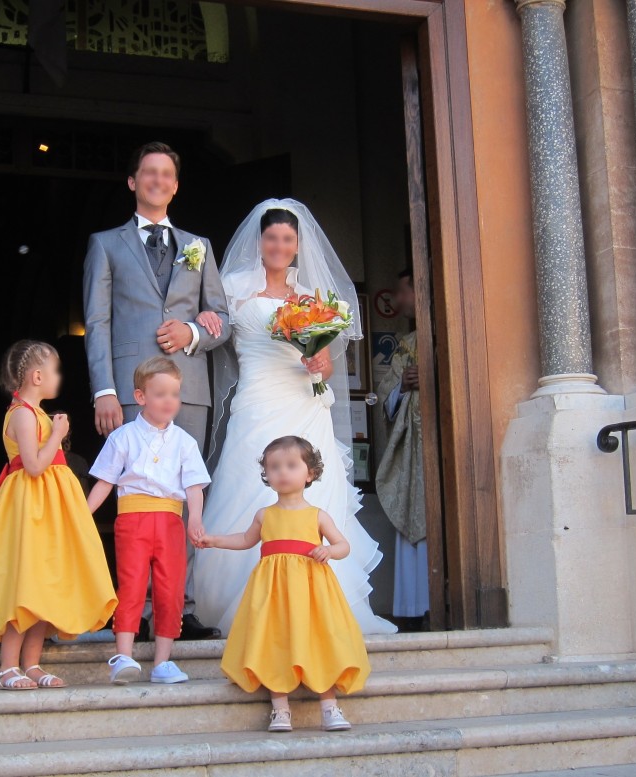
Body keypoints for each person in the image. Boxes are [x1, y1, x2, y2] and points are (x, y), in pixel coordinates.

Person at [192, 199, 396, 637]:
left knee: (313, 490)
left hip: (303, 403)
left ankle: (320, 604)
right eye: (272, 238)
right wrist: (204, 318)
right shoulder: (232, 287)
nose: (279, 246)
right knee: (248, 485)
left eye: (288, 239)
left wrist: (319, 365)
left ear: (298, 245)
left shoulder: (310, 300)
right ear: (259, 242)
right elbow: (210, 325)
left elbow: (324, 361)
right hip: (257, 400)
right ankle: (250, 606)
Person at [83, 141, 229, 641]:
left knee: (187, 496)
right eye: (149, 173)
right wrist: (104, 389)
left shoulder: (200, 246)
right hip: (130, 387)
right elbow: (97, 322)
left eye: (167, 174)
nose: (158, 181)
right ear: (133, 181)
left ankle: (178, 609)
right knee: (136, 496)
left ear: (175, 185)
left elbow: (222, 321)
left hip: (189, 389)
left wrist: (194, 335)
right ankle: (138, 612)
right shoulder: (105, 244)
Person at [0, 340, 118, 689]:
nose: (58, 378)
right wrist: (60, 434)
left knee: (46, 583)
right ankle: (8, 666)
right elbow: (34, 465)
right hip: (29, 508)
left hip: (47, 510)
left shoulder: (36, 413)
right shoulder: (21, 413)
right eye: (55, 371)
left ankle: (32, 663)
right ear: (37, 376)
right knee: (25, 581)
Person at [197, 436, 370, 733]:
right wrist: (214, 540)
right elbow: (244, 540)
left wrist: (328, 550)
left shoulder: (317, 515)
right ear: (267, 474)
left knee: (318, 640)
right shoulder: (264, 515)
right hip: (274, 591)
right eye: (274, 467)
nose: (282, 472)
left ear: (310, 473)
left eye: (291, 466)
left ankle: (329, 707)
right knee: (275, 640)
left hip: (311, 591)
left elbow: (343, 545)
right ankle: (280, 709)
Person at [86, 356, 211, 684]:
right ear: (141, 397)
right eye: (161, 394)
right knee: (132, 585)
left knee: (171, 589)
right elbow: (105, 482)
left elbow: (194, 487)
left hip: (171, 521)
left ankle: (162, 662)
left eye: (175, 394)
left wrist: (194, 519)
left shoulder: (185, 441)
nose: (170, 401)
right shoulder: (123, 437)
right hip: (132, 519)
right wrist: (83, 516)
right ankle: (123, 656)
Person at [374, 268, 429, 630]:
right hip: (413, 453)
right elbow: (385, 401)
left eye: (403, 291)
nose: (398, 298)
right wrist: (403, 388)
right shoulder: (405, 344)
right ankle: (413, 610)